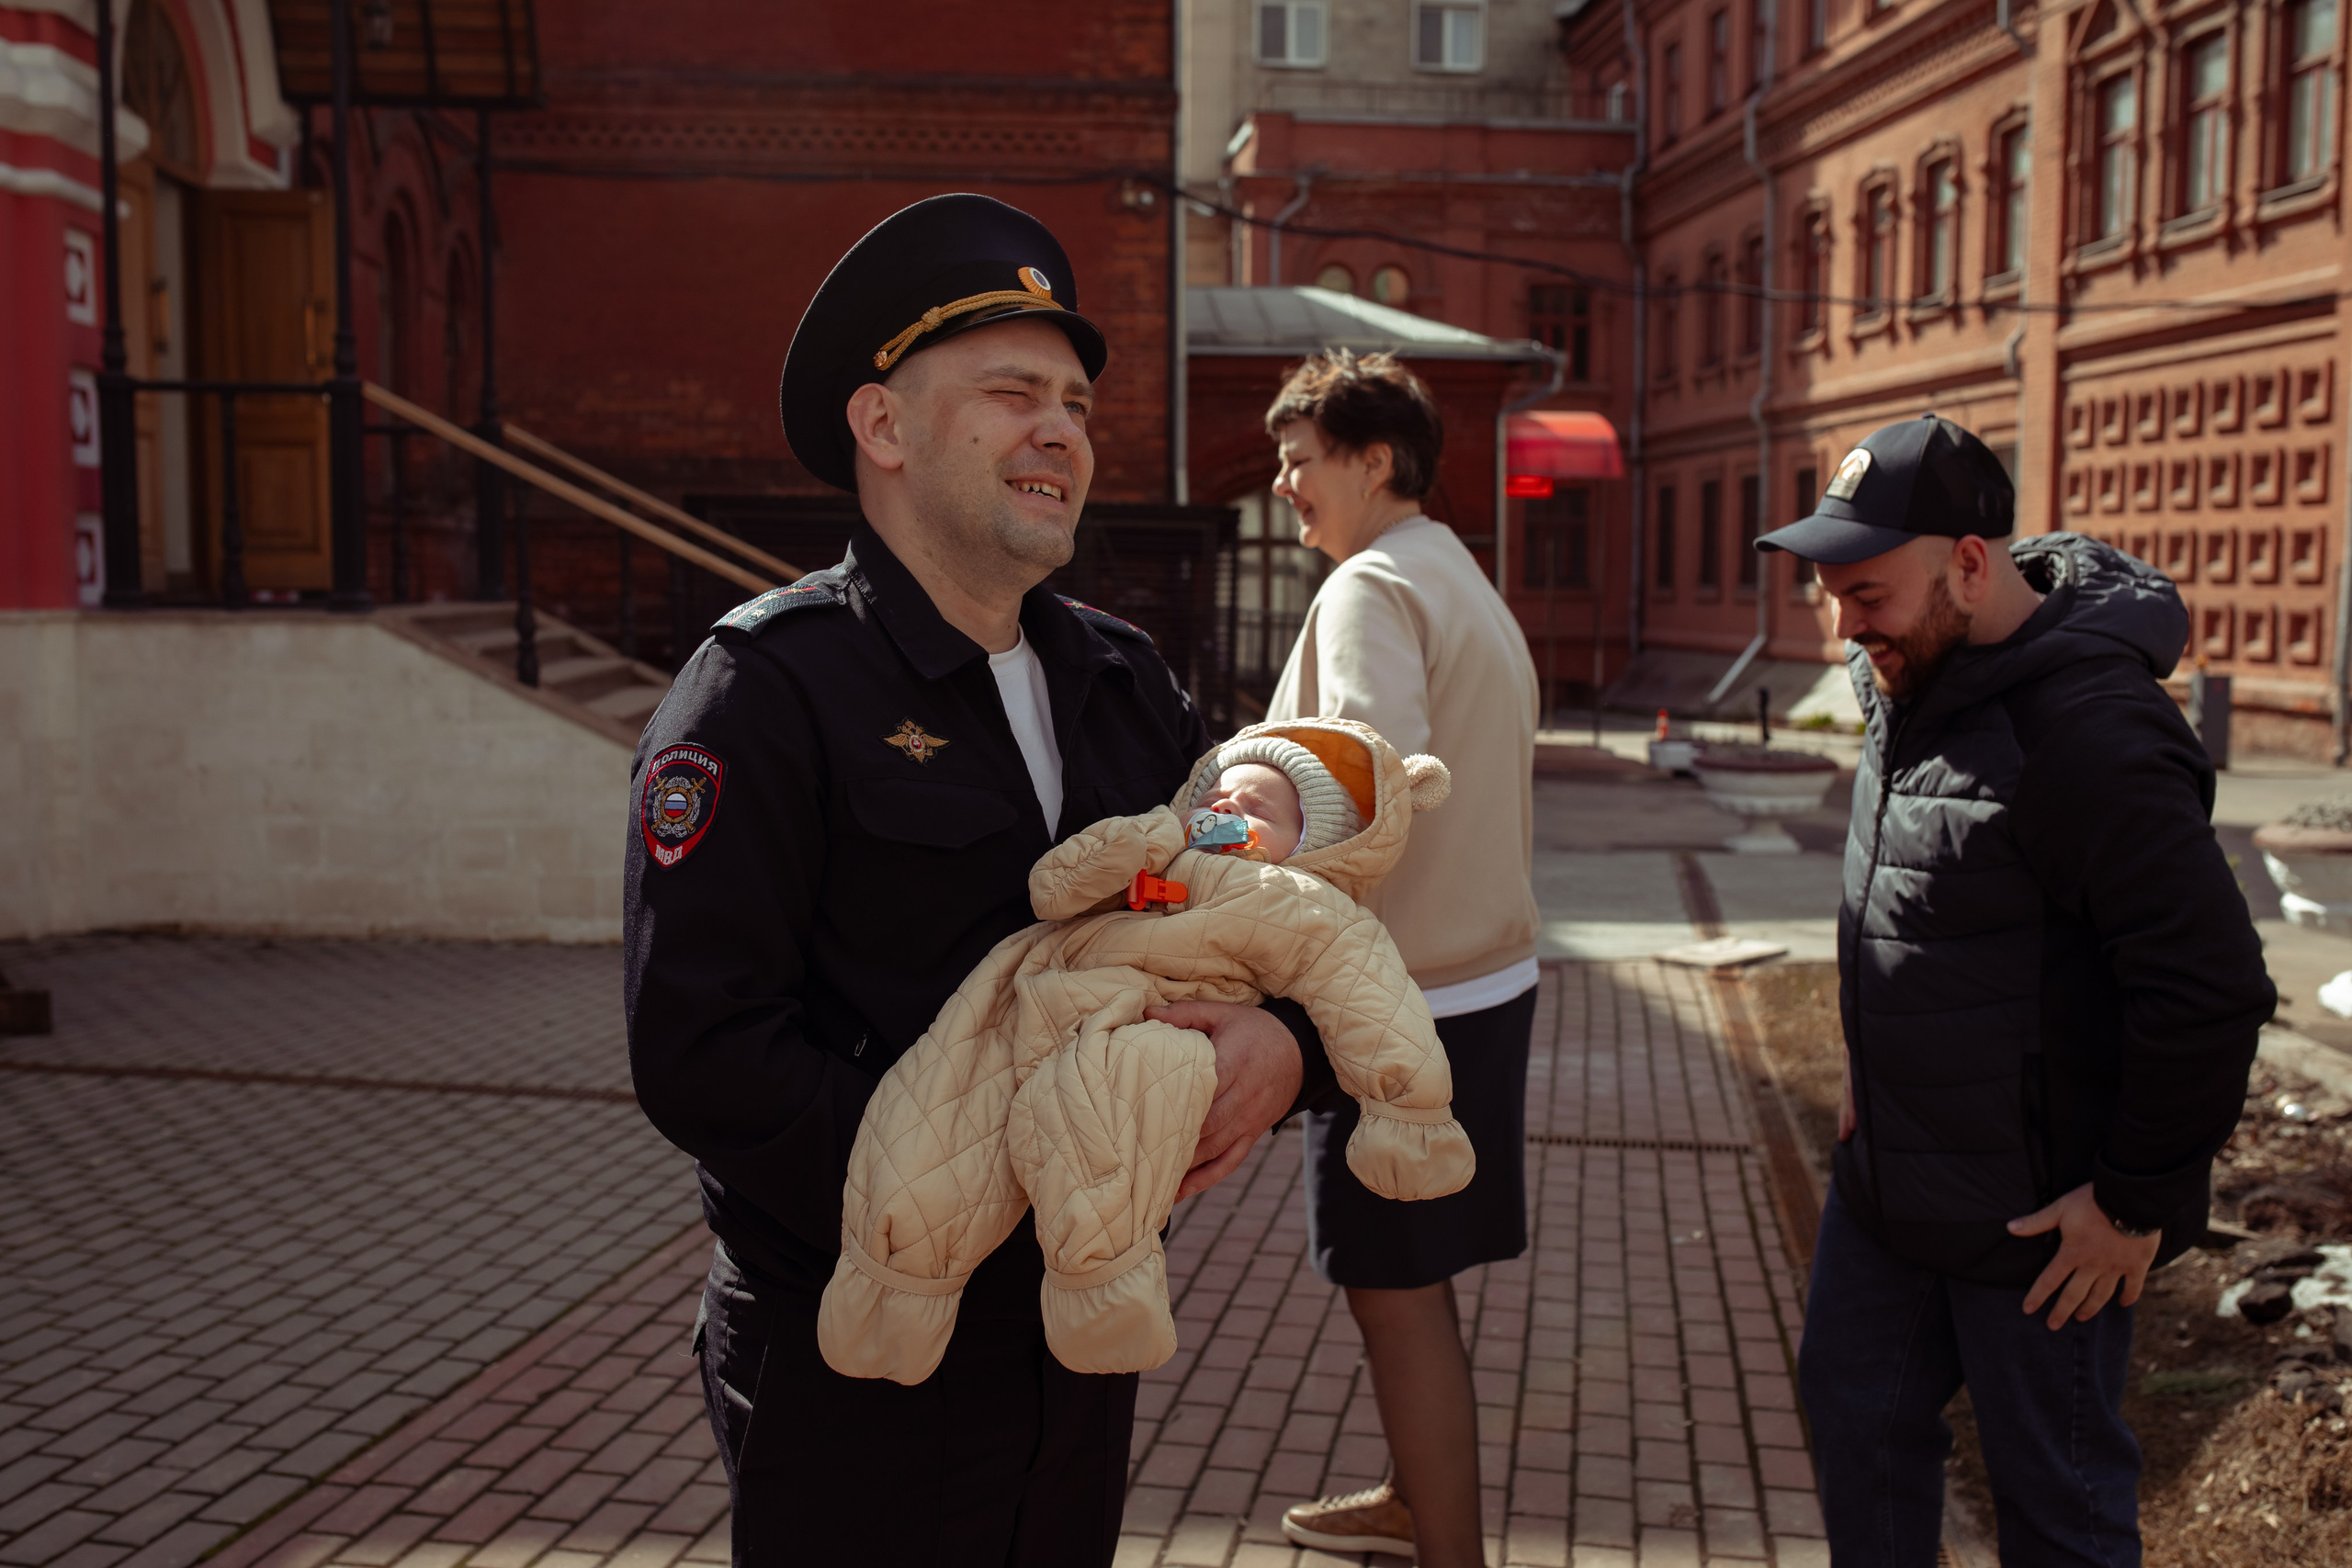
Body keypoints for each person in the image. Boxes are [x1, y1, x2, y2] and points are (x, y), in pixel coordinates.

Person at [622, 194, 1339, 1568]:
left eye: (1073, 401)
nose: (1062, 430)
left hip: (1078, 1325)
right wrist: (993, 1174)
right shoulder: (766, 689)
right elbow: (702, 1047)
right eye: (1013, 393)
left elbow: (1252, 927)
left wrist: (1281, 1046)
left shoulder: (1126, 681)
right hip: (865, 1339)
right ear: (883, 427)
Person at [1756, 414, 2274, 1565]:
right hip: (1892, 1184)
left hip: (2046, 1225)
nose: (1845, 626)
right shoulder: (1906, 673)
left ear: (1970, 566)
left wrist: (2132, 1198)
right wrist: (1869, 1059)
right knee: (1857, 1423)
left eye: (1870, 595)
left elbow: (2209, 986)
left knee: (2059, 1514)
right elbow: (1914, 901)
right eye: (1831, 594)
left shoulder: (2093, 733)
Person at [817, 718, 1470, 1388]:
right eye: (1216, 794)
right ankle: (891, 1300)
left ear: (1310, 846)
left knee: (1123, 1092)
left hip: (1152, 1020)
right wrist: (1142, 839)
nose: (1226, 808)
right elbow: (1053, 889)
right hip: (1020, 1012)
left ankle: (1102, 1293)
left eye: (1257, 808)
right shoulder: (1148, 853)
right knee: (932, 1120)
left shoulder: (1301, 900)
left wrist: (1409, 1112)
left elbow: (1370, 994)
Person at [1261, 351, 1544, 1568]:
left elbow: (1370, 784)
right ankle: (1413, 1490)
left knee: (1394, 1288)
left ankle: (1448, 1542)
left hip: (1400, 1004)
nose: (1283, 483)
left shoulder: (1371, 585)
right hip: (1480, 982)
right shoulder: (1457, 573)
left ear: (1375, 460)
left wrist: (1226, 858)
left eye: (1301, 459)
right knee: (1414, 1274)